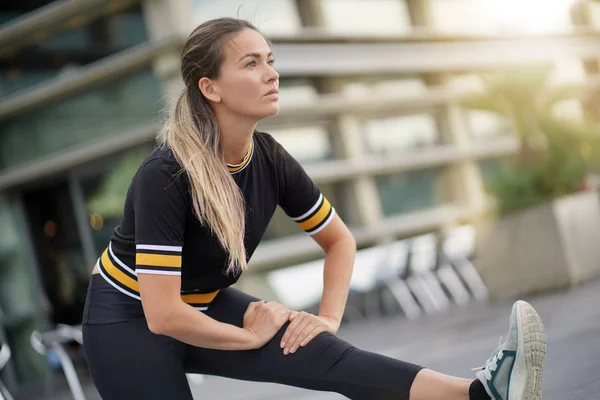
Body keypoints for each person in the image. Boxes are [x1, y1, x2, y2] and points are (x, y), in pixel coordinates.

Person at [81, 17, 547, 400]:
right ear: (211, 88)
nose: (271, 73)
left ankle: (482, 393)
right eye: (251, 63)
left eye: (270, 61)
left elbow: (338, 240)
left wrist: (323, 320)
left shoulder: (268, 157)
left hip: (202, 302)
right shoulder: (166, 175)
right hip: (127, 320)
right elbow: (162, 315)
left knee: (327, 355)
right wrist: (249, 337)